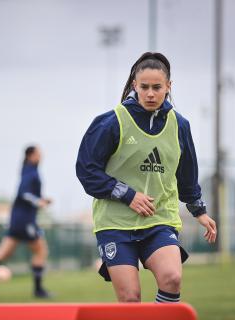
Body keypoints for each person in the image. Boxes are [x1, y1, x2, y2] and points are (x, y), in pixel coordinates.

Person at [76, 52, 216, 303]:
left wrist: (199, 212)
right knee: (131, 298)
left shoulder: (180, 125)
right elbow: (87, 171)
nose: (150, 93)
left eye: (157, 87)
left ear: (168, 87)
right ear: (134, 86)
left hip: (159, 220)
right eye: (144, 87)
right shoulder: (111, 122)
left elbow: (187, 176)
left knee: (172, 278)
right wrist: (128, 195)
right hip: (115, 224)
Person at [0, 145, 52, 299]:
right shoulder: (30, 171)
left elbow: (27, 194)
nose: (41, 156)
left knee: (3, 252)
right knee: (41, 250)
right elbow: (23, 194)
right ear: (30, 156)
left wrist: (41, 200)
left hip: (18, 219)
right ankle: (38, 290)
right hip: (25, 220)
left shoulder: (28, 170)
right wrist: (38, 202)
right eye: (38, 154)